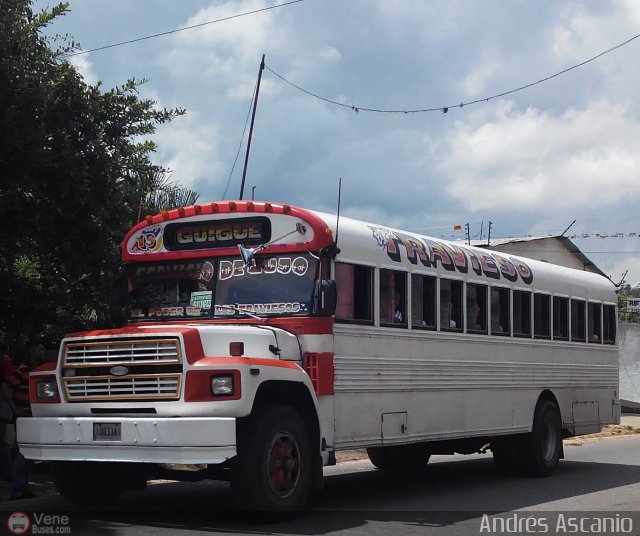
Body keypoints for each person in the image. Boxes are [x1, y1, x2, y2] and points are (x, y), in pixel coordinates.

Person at [8, 342, 46, 500]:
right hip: (23, 415)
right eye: (40, 347)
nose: (43, 351)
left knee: (28, 453)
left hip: (33, 415)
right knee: (22, 452)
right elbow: (5, 386)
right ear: (32, 351)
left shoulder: (38, 369)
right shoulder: (23, 370)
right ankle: (17, 488)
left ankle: (23, 487)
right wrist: (14, 407)